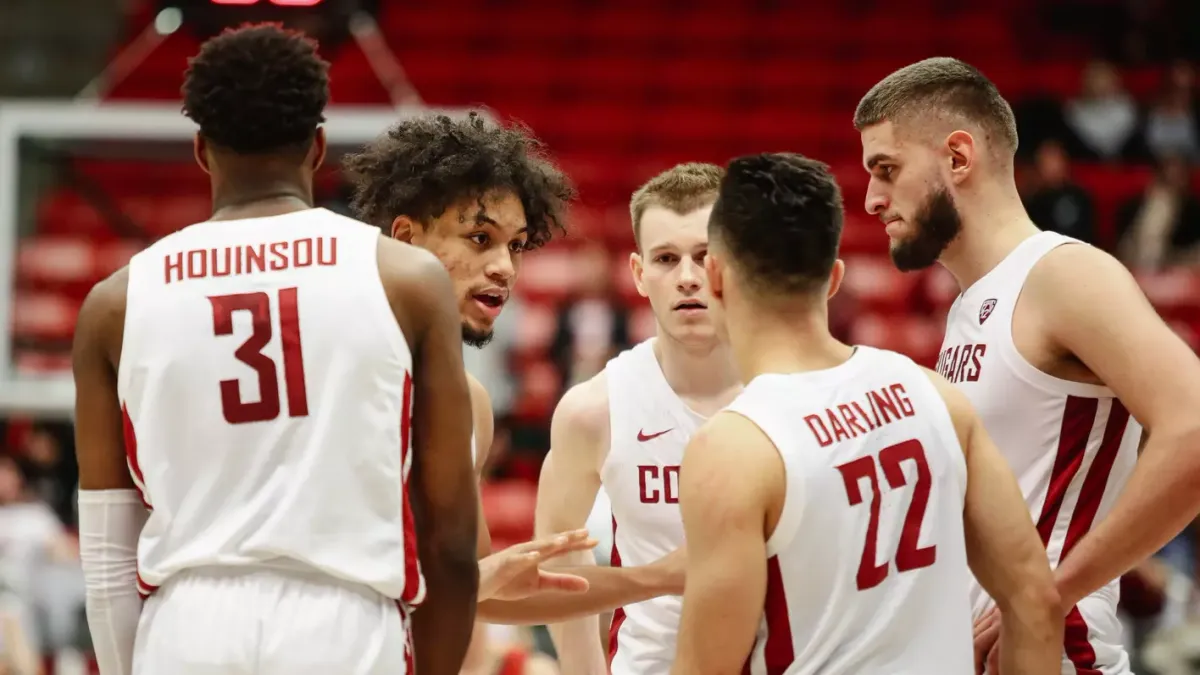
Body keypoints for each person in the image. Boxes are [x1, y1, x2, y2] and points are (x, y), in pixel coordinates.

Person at [73, 24, 481, 675]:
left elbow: (106, 556)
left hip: (186, 623)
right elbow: (453, 539)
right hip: (343, 622)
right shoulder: (405, 278)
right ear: (318, 145)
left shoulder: (114, 303)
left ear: (202, 149)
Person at [855, 56, 1200, 672]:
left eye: (887, 169)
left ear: (958, 158)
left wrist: (1047, 596)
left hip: (1064, 657)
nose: (873, 198)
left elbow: (1194, 430)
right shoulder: (970, 306)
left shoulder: (1062, 273)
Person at [671, 152, 1062, 675]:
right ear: (834, 279)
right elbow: (1036, 602)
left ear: (714, 276)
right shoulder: (934, 395)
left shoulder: (734, 449)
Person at [344, 114, 678, 618]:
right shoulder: (335, 367)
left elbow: (477, 591)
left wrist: (665, 576)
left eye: (516, 245)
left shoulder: (470, 404)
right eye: (480, 237)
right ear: (407, 238)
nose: (504, 265)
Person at [527, 163, 739, 675]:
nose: (687, 277)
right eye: (666, 258)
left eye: (704, 256)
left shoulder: (794, 393)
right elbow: (556, 557)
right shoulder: (594, 409)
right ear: (640, 274)